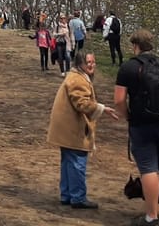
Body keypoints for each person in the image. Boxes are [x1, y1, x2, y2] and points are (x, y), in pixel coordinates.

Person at [114, 28, 159, 226]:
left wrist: (129, 117)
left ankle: (151, 216)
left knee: (148, 169)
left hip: (142, 124)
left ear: (135, 45)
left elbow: (119, 100)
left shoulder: (128, 68)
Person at [47, 52, 119, 208]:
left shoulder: (76, 77)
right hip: (72, 129)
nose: (92, 65)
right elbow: (82, 103)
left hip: (66, 128)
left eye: (93, 61)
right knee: (77, 162)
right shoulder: (78, 80)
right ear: (80, 64)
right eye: (88, 62)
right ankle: (78, 197)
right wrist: (102, 108)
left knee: (68, 162)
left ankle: (67, 195)